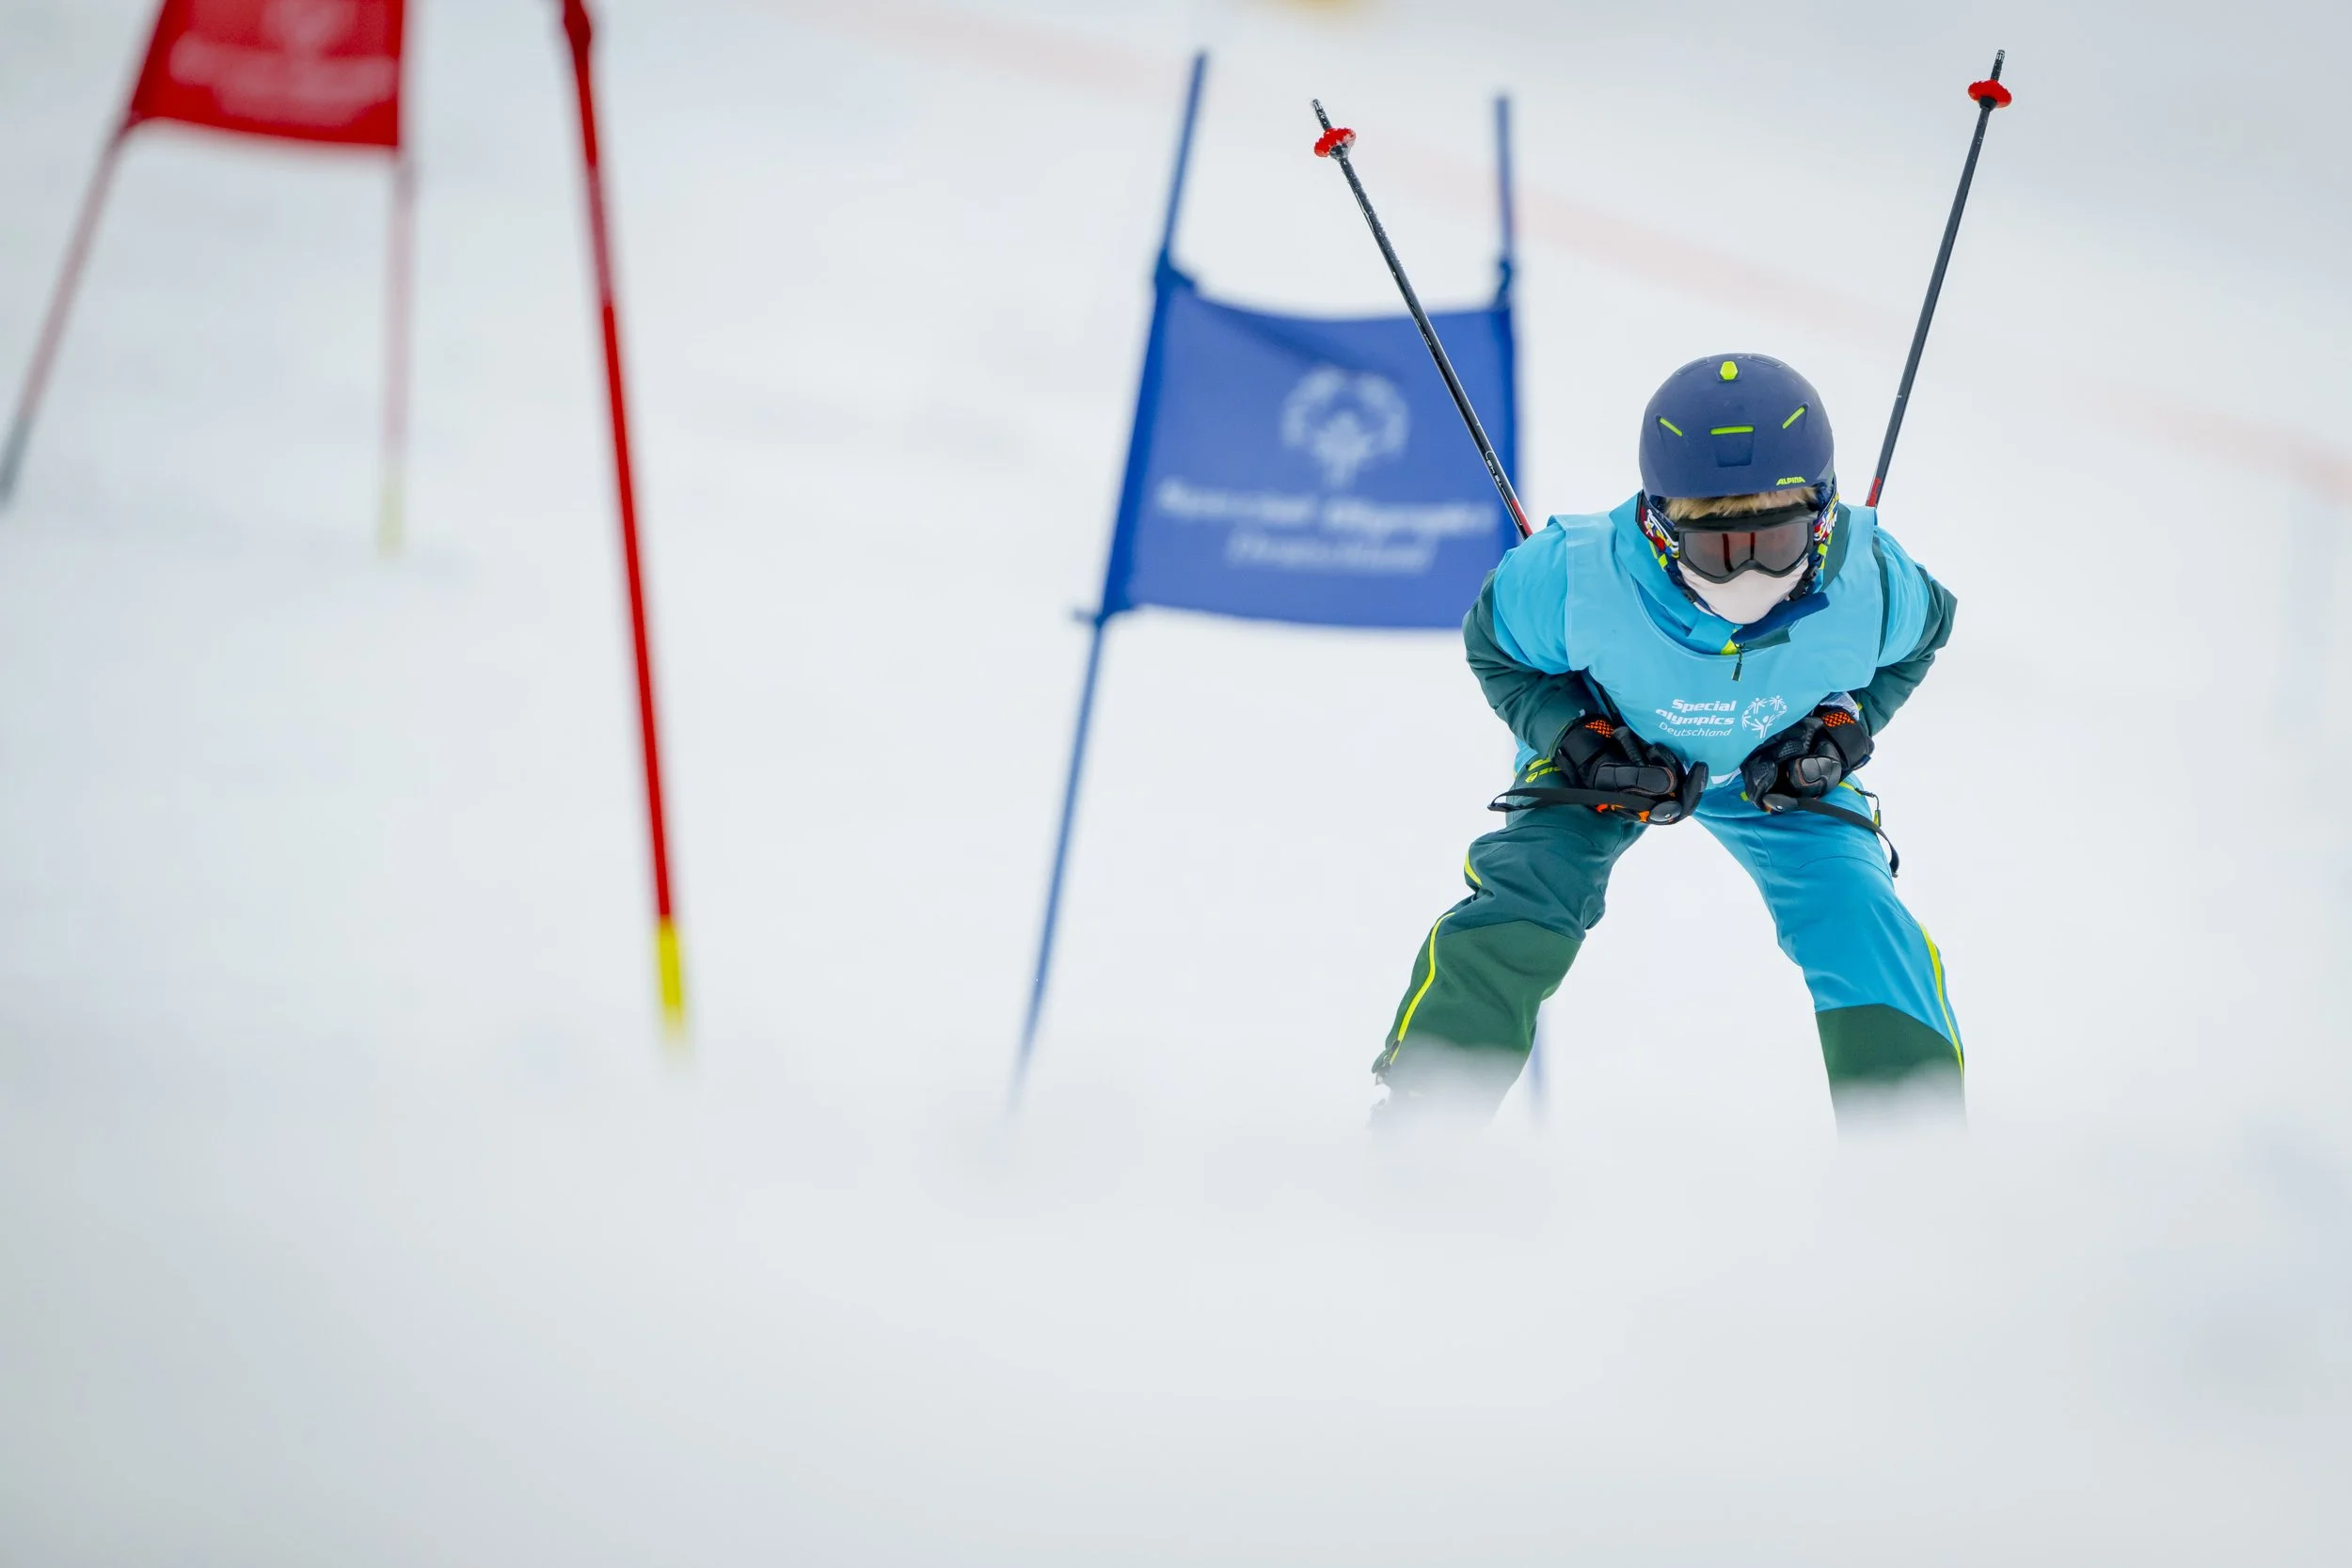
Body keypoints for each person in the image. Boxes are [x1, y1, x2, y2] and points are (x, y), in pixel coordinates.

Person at [1375, 353, 1963, 1122]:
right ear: (1658, 526)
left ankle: (1913, 1145)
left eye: (1777, 542)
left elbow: (1924, 637)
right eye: (1715, 547)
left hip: (1779, 765)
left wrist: (1841, 729)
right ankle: (1423, 1118)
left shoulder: (1870, 582)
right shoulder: (1577, 577)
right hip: (1618, 754)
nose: (1748, 577)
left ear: (1821, 518)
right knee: (1533, 888)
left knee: (1857, 911)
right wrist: (1576, 736)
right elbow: (1498, 647)